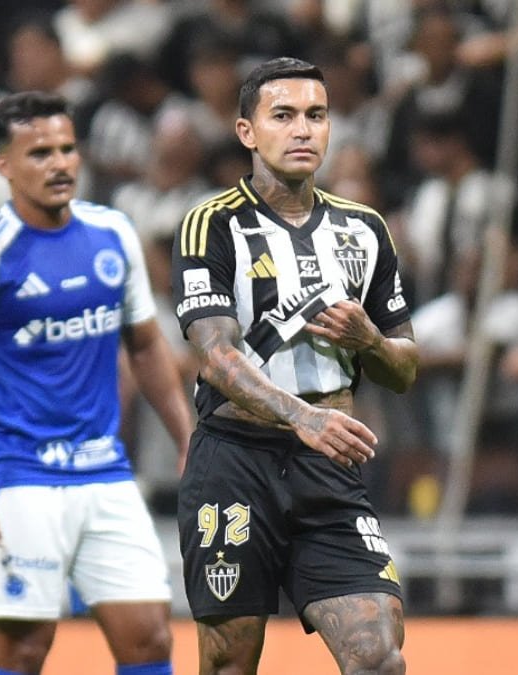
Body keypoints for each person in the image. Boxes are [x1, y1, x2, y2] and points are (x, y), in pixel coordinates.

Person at [0, 91, 192, 675]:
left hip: (105, 470)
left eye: (67, 149)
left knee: (150, 638)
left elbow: (145, 345)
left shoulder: (114, 234)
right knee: (23, 651)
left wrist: (187, 437)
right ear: (4, 166)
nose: (60, 163)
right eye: (40, 152)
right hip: (19, 476)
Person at [171, 57, 418, 675]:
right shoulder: (213, 224)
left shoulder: (366, 229)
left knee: (379, 658)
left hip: (329, 469)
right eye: (283, 116)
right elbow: (217, 355)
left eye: (317, 115)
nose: (303, 130)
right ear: (247, 132)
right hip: (235, 463)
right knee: (229, 662)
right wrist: (300, 416)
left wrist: (370, 341)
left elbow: (405, 366)